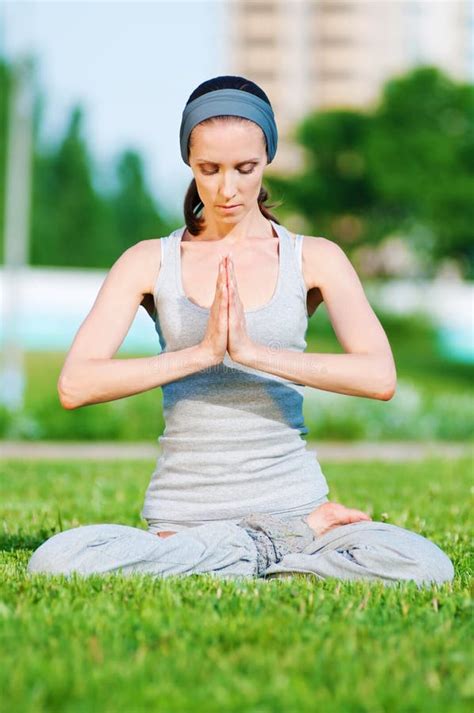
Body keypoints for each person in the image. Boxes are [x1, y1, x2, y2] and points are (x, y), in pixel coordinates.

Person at [27, 76, 454, 586]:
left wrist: (252, 351)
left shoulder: (314, 258)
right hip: (185, 519)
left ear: (267, 157)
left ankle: (230, 556)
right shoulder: (148, 261)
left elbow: (379, 376)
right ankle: (270, 553)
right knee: (55, 559)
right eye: (209, 169)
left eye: (244, 168)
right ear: (189, 161)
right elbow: (76, 384)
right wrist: (202, 353)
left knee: (427, 565)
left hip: (294, 507)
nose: (227, 189)